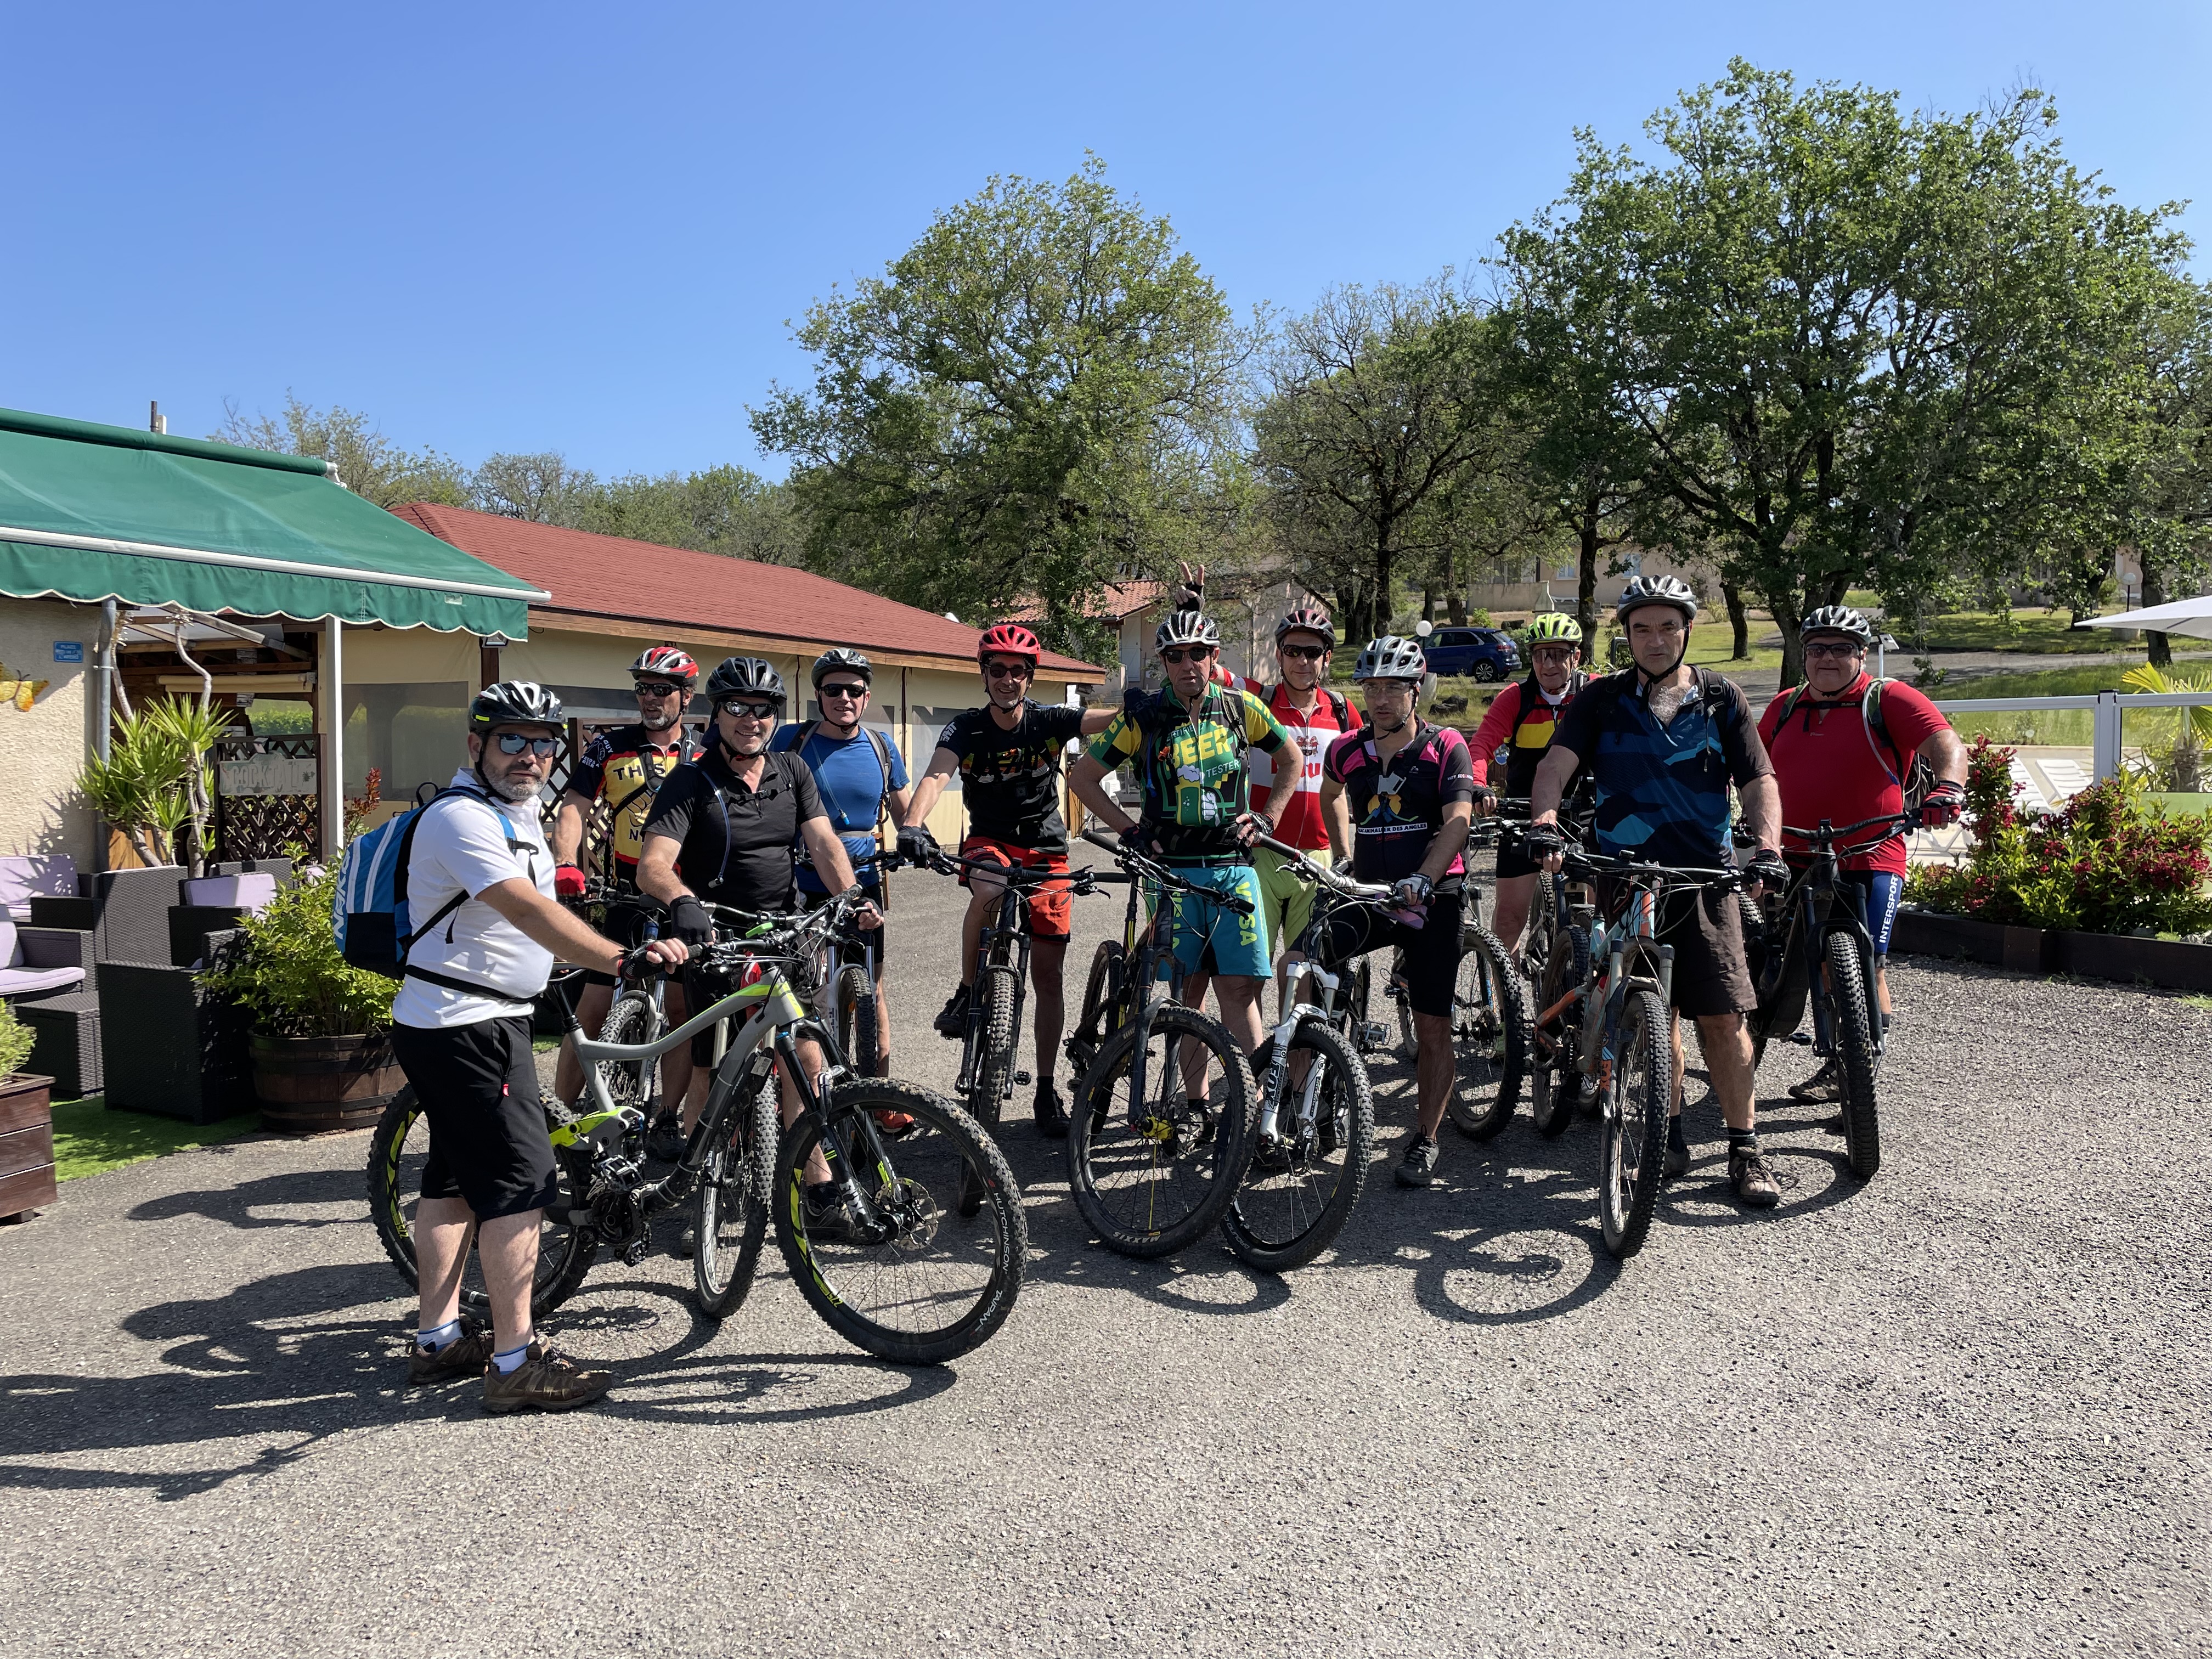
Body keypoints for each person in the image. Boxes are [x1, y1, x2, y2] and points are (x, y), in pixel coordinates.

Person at [395, 681, 687, 1414]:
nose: (530, 754)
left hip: (466, 1019)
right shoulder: (460, 818)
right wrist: (617, 959)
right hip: (467, 1028)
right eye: (512, 739)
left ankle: (437, 1340)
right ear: (477, 745)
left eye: (542, 742)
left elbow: (533, 913)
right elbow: (523, 908)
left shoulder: (513, 815)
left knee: (452, 1181)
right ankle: (516, 1361)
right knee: (522, 1186)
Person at [1523, 574, 1790, 1209]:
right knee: (1655, 1012)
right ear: (1627, 636)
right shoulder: (1603, 700)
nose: (1654, 639)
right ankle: (1664, 1132)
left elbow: (1759, 780)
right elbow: (1556, 766)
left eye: (1667, 626)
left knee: (1724, 1016)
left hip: (1702, 878)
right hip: (1625, 876)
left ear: (1687, 629)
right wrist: (1544, 821)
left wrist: (1770, 846)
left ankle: (1745, 1147)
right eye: (1641, 628)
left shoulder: (1721, 698)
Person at [635, 657, 881, 1240]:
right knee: (712, 1072)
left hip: (783, 938)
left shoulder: (793, 770)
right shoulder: (691, 781)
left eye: (763, 709)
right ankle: (703, 1195)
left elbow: (822, 844)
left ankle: (817, 1189)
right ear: (715, 713)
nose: (751, 719)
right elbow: (653, 866)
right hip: (714, 940)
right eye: (738, 708)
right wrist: (683, 902)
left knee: (806, 1063)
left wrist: (851, 898)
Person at [898, 623, 1115, 1136]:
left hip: (1046, 850)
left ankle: (1044, 1088)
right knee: (990, 889)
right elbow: (935, 776)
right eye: (998, 670)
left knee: (1048, 976)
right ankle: (969, 989)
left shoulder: (1050, 720)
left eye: (1019, 671)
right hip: (989, 843)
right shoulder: (966, 728)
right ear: (984, 674)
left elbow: (1111, 719)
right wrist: (912, 825)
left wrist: (1157, 699)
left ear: (1030, 678)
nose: (1008, 679)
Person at [1756, 604, 1967, 1107]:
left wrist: (1949, 787)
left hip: (1871, 851)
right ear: (1803, 653)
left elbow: (1945, 742)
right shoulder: (1784, 706)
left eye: (1842, 649)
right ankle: (1753, 1035)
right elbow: (1749, 766)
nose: (1828, 658)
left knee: (1863, 959)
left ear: (1862, 654)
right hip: (1793, 851)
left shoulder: (1887, 698)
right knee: (1766, 953)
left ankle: (1854, 1070)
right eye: (1817, 648)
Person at [1068, 607, 1292, 1073]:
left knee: (1238, 989)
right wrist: (1128, 830)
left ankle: (1249, 1112)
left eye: (1197, 654)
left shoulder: (1240, 707)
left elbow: (1291, 759)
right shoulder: (1144, 717)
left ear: (1213, 657)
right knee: (1188, 993)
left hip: (1234, 866)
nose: (1187, 664)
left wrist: (1268, 819)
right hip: (1171, 871)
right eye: (1175, 656)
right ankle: (1195, 1107)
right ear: (1165, 662)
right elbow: (1083, 776)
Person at [1316, 636, 1480, 1189]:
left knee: (1434, 1023)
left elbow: (1458, 820)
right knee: (1307, 965)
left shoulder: (1446, 746)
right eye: (1371, 687)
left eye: (1392, 688)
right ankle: (1299, 1097)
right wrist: (1341, 854)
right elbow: (1330, 792)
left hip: (1433, 897)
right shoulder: (1347, 749)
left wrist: (1424, 878)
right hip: (1369, 891)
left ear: (1417, 690)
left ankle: (1425, 1138)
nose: (1380, 699)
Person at [549, 645, 703, 1151]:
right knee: (591, 1007)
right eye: (643, 688)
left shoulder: (704, 753)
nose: (650, 698)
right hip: (624, 897)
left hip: (682, 897)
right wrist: (566, 862)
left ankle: (666, 1116)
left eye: (662, 689)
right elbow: (572, 807)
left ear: (686, 696)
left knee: (681, 1012)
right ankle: (557, 1123)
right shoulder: (607, 746)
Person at [771, 648, 911, 1082]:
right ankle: (794, 1092)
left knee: (872, 993)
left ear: (866, 698)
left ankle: (880, 1092)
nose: (844, 698)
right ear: (818, 694)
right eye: (834, 689)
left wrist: (915, 840)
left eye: (854, 690)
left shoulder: (881, 747)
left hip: (863, 886)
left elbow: (907, 816)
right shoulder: (790, 741)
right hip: (802, 888)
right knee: (801, 995)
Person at [1467, 612, 1589, 957]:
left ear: (1576, 656)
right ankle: (1505, 999)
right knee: (1508, 919)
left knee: (1598, 916)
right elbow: (1481, 746)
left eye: (1558, 654)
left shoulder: (1592, 692)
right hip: (1524, 813)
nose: (1547, 664)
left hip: (1584, 811)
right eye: (1539, 655)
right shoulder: (1516, 698)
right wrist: (1480, 786)